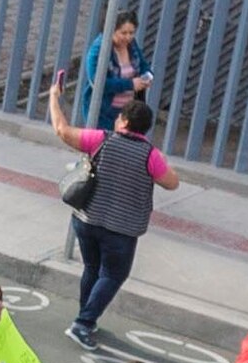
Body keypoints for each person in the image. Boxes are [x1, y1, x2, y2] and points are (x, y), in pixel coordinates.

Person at [41, 70, 177, 344]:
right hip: (122, 230)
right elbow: (172, 183)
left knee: (92, 268)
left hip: (87, 219)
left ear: (124, 121)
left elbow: (62, 131)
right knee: (114, 274)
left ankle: (85, 318)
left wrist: (54, 98)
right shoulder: (151, 155)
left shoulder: (100, 139)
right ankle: (83, 323)